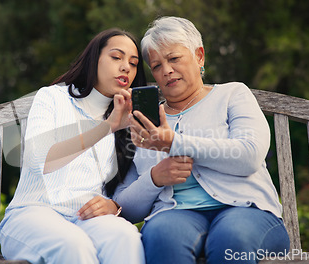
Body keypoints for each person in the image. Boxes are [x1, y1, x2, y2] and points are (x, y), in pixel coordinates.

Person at [113, 16, 290, 264]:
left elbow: (249, 155)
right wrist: (154, 178)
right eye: (156, 65)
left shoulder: (232, 94)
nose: (166, 70)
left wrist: (173, 143)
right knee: (162, 237)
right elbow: (124, 209)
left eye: (174, 58)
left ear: (199, 56)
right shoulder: (143, 121)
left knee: (231, 238)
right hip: (176, 214)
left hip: (246, 211)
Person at [0, 28, 147, 264]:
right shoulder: (52, 98)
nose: (126, 67)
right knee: (74, 246)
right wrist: (106, 127)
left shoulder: (126, 118)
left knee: (126, 237)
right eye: (116, 57)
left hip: (86, 218)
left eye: (133, 62)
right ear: (93, 60)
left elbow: (131, 179)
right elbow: (41, 161)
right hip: (34, 212)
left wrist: (114, 204)